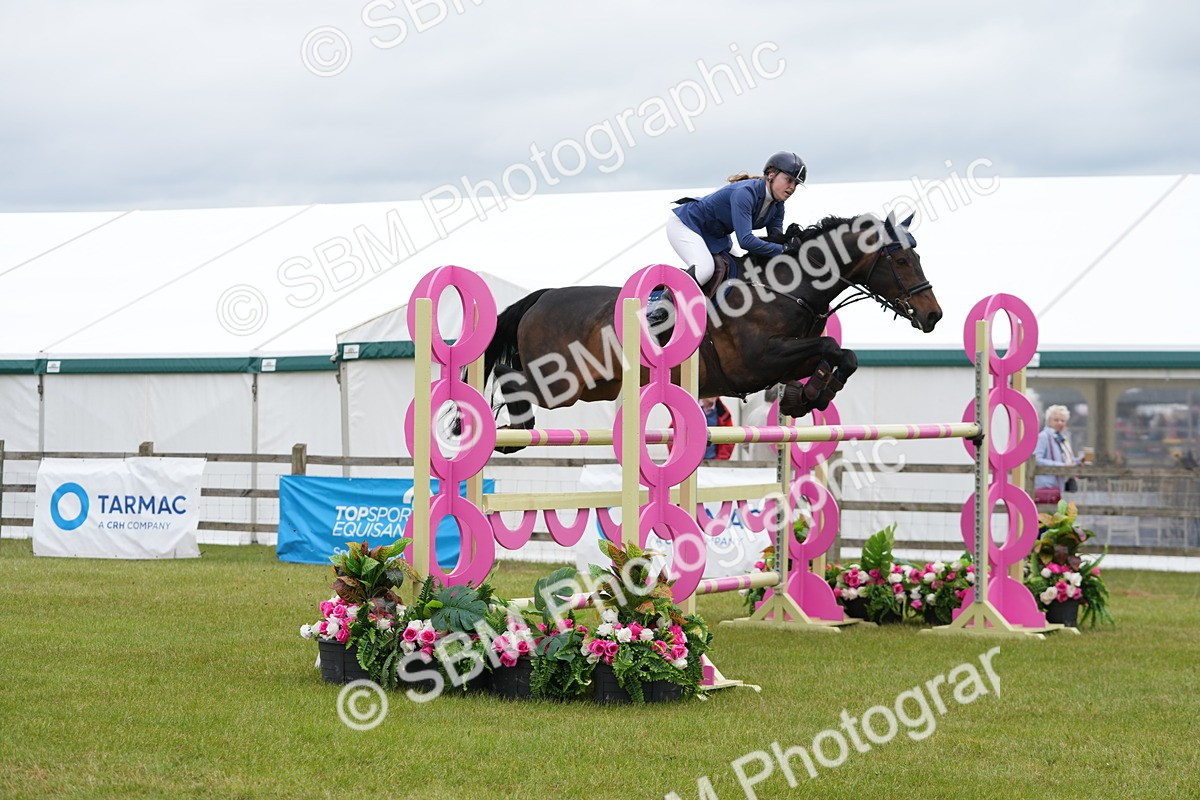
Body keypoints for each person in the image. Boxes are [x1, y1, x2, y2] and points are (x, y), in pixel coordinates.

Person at [646, 151, 807, 326]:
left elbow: (773, 240)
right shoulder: (745, 193)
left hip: (716, 235)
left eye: (796, 184)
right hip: (687, 224)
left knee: (743, 269)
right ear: (770, 175)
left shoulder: (778, 206)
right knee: (705, 268)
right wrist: (783, 250)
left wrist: (793, 245)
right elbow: (745, 241)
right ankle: (661, 308)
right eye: (788, 180)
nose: (792, 188)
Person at [1034, 404, 1077, 504]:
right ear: (1049, 421)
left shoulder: (1062, 438)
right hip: (1046, 485)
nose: (1060, 423)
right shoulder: (1044, 437)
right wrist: (1062, 466)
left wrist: (1080, 460)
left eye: (1063, 420)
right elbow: (1036, 459)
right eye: (1056, 420)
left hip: (1059, 486)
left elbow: (1066, 459)